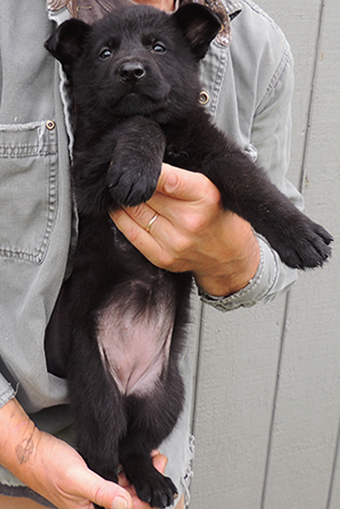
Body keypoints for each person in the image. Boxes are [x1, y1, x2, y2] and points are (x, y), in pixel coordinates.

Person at [0, 0, 302, 508]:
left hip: (156, 456)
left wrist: (234, 252)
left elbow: (276, 250)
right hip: (11, 459)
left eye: (157, 48)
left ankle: (135, 460)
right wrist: (21, 447)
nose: (133, 63)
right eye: (109, 53)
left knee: (162, 403)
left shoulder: (260, 49)